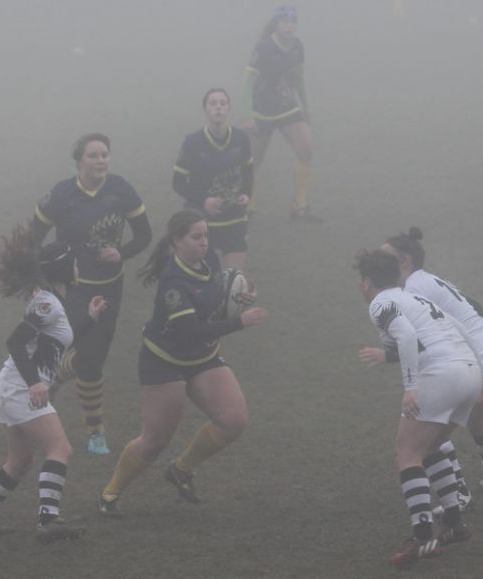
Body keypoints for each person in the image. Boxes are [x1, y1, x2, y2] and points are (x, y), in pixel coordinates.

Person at [97, 209, 267, 515]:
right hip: (164, 361)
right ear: (176, 241)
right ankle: (110, 493)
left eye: (206, 235)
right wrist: (240, 322)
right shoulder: (173, 284)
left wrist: (237, 297)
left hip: (202, 355)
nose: (204, 243)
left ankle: (181, 469)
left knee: (233, 421)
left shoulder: (210, 259)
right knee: (155, 440)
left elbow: (215, 297)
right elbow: (190, 332)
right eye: (196, 237)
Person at [354, 250, 483, 566]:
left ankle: (423, 538)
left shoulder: (381, 303)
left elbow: (406, 336)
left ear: (366, 282)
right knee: (431, 447)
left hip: (441, 375)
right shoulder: (415, 298)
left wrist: (410, 387)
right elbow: (459, 328)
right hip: (469, 372)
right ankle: (455, 524)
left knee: (408, 454)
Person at [0, 225, 107, 543]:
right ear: (62, 267)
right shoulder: (49, 304)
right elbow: (15, 343)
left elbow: (58, 344)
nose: (78, 268)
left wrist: (89, 319)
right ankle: (48, 521)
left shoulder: (52, 301)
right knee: (60, 448)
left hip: (10, 388)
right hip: (19, 388)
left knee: (20, 461)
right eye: (74, 263)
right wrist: (34, 384)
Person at [32, 133, 152, 455]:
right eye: (93, 156)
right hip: (73, 288)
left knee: (92, 357)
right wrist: (42, 279)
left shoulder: (121, 189)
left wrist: (122, 253)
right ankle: (95, 431)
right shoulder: (61, 194)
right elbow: (34, 235)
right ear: (79, 161)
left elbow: (145, 235)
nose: (101, 161)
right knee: (84, 355)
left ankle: (57, 380)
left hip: (110, 287)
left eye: (105, 155)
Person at [243, 5, 318, 221]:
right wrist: (248, 114)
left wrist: (306, 106)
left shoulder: (297, 47)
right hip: (262, 110)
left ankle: (300, 206)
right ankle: (249, 206)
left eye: (293, 21)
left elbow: (298, 79)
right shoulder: (263, 47)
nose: (290, 26)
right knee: (252, 162)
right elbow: (248, 82)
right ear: (276, 24)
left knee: (306, 151)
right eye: (285, 21)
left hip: (288, 107)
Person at [173, 88, 253, 272]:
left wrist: (246, 194)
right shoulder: (192, 142)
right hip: (201, 223)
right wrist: (204, 200)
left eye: (223, 103)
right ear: (205, 110)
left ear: (229, 109)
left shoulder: (241, 138)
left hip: (235, 220)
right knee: (202, 281)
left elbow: (248, 171)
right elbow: (177, 182)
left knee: (235, 284)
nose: (218, 108)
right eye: (213, 103)